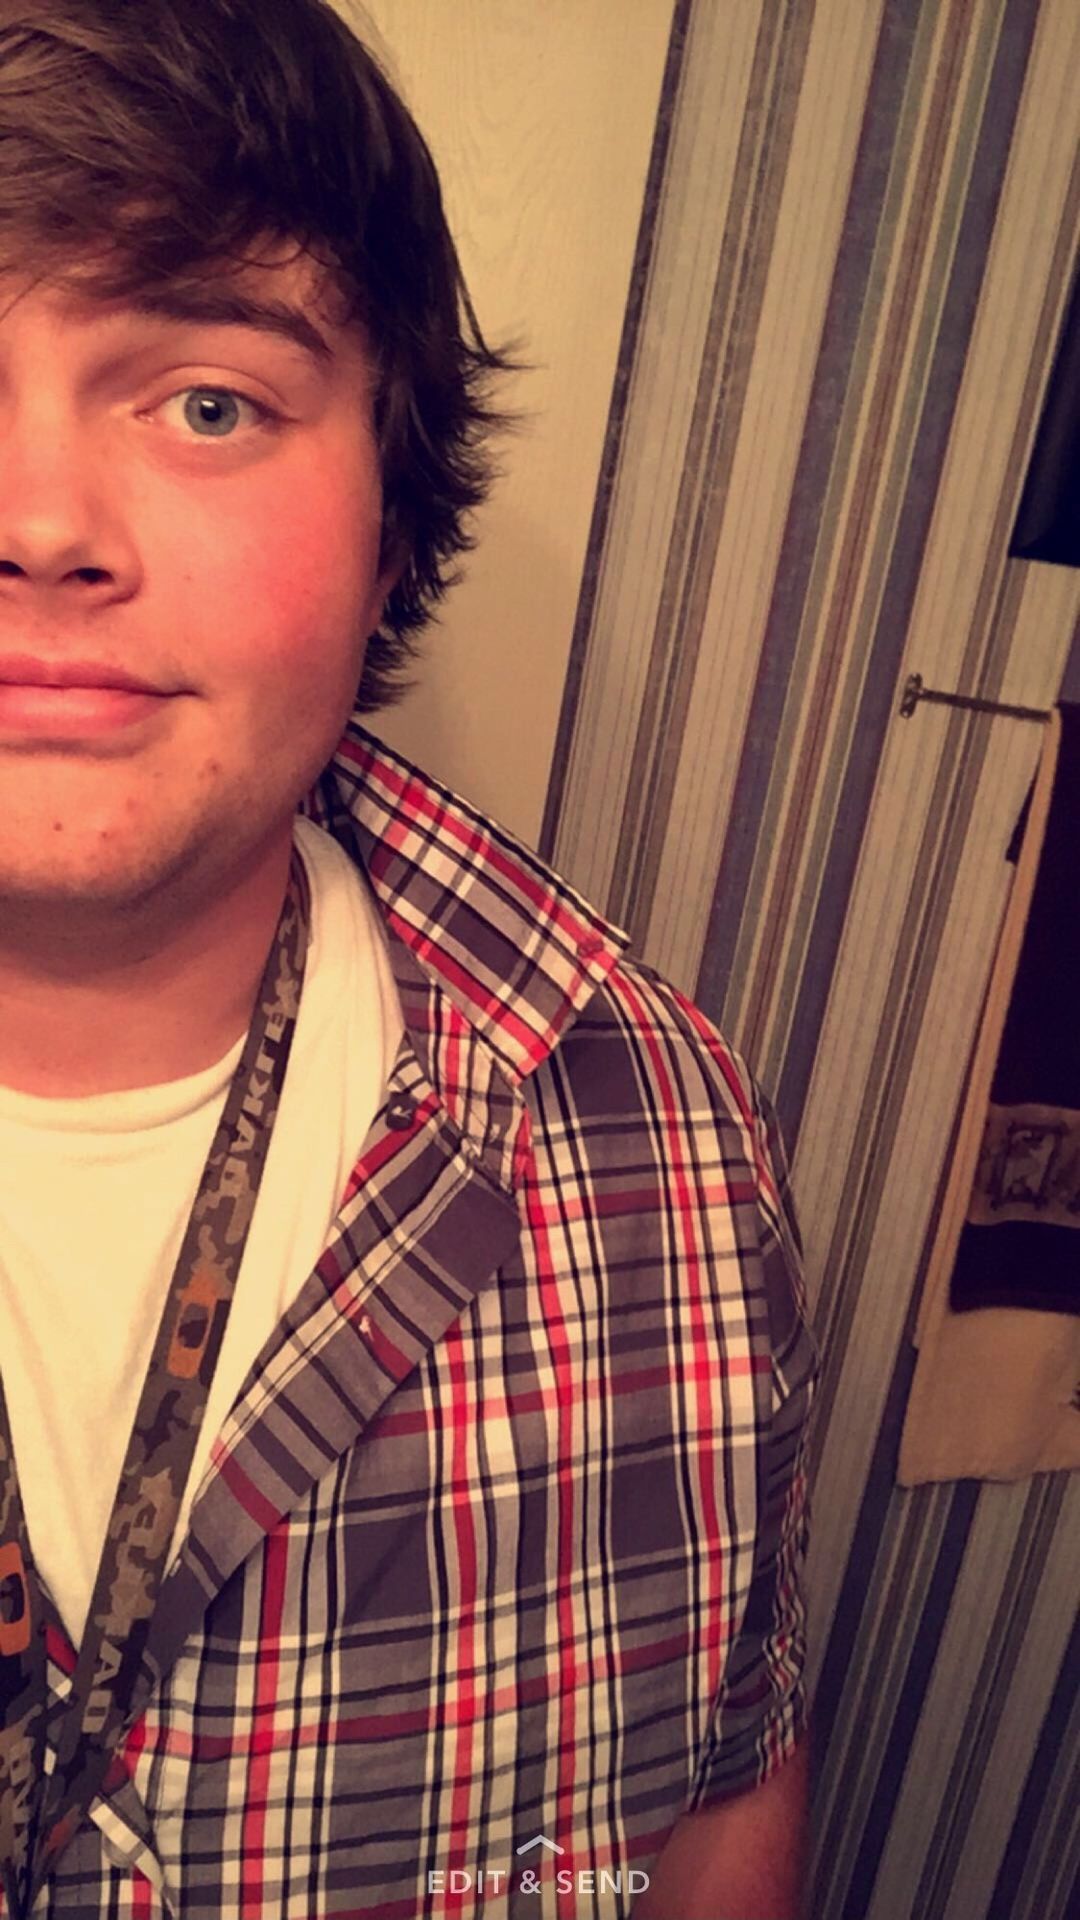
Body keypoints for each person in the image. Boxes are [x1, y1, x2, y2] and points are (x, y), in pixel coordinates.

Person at [0, 1, 820, 1914]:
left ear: (387, 536)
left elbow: (722, 1806)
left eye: (209, 402)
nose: (38, 526)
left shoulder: (657, 1134)